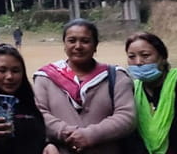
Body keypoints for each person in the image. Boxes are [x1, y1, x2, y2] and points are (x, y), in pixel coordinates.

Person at [33, 18, 136, 154]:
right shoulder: (45, 78)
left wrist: (90, 135)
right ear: (64, 44)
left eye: (85, 41)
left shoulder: (116, 77)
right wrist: (67, 132)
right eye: (72, 41)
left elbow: (126, 116)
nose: (78, 46)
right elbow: (38, 114)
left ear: (95, 45)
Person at [0, 43, 59, 154]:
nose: (10, 76)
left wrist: (47, 145)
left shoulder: (28, 101)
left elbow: (38, 135)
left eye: (15, 71)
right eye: (2, 70)